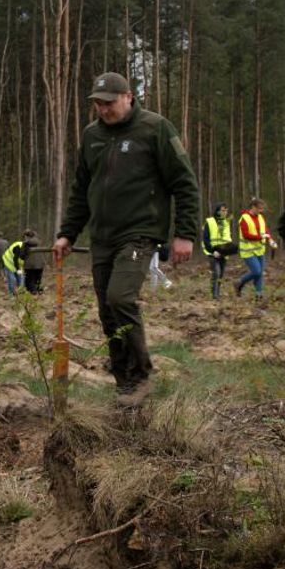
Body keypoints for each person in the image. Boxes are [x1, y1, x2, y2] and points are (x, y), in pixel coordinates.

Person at [53, 71, 200, 406]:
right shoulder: (92, 136)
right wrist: (67, 233)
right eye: (98, 105)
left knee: (120, 298)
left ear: (128, 96)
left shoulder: (155, 128)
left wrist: (185, 234)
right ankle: (124, 382)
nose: (103, 110)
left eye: (109, 103)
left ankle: (141, 375)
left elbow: (184, 183)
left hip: (141, 232)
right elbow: (81, 190)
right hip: (103, 236)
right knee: (107, 310)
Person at [236, 197, 276, 299]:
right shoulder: (244, 218)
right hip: (248, 251)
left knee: (260, 274)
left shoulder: (260, 217)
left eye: (262, 209)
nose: (261, 211)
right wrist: (261, 237)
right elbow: (246, 235)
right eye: (259, 208)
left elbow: (265, 230)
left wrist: (270, 239)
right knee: (256, 271)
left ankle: (259, 294)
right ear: (253, 207)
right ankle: (240, 282)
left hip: (259, 250)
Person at [200, 202, 236, 299]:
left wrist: (231, 249)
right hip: (213, 253)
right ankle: (214, 296)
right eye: (223, 210)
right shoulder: (209, 222)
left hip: (223, 253)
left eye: (226, 210)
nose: (225, 212)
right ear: (217, 211)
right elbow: (206, 239)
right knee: (216, 273)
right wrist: (212, 251)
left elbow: (227, 239)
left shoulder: (226, 223)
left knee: (221, 275)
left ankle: (217, 294)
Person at [22, 230, 45, 294]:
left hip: (30, 264)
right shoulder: (39, 242)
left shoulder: (26, 243)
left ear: (27, 236)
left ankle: (33, 291)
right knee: (38, 278)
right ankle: (39, 291)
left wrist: (22, 259)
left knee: (30, 278)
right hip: (40, 263)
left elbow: (23, 254)